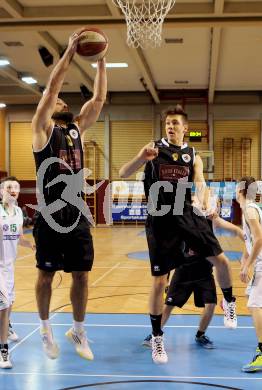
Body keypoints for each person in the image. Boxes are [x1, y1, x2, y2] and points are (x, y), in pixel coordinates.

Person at [119, 105, 237, 364]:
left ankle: (229, 302)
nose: (170, 126)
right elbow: (123, 173)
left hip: (186, 215)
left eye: (175, 123)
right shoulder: (153, 150)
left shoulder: (192, 155)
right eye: (168, 123)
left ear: (185, 128)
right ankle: (157, 337)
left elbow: (200, 183)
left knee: (222, 261)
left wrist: (206, 200)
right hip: (160, 220)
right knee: (160, 282)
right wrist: (141, 157)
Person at [32, 29, 107, 360]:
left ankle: (78, 330)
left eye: (64, 100)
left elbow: (99, 100)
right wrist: (71, 52)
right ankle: (46, 330)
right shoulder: (42, 128)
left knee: (81, 274)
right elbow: (52, 87)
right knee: (45, 275)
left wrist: (102, 62)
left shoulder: (75, 129)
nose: (62, 100)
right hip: (50, 216)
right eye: (58, 100)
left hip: (75, 214)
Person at [143, 214, 244, 350]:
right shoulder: (181, 218)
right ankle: (155, 334)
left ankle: (200, 335)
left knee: (211, 304)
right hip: (183, 271)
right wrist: (166, 278)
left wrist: (246, 235)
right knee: (168, 305)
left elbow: (235, 230)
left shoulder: (210, 218)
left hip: (204, 271)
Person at [0, 176, 34, 368]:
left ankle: (7, 326)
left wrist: (32, 245)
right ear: (1, 192)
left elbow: (19, 238)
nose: (13, 189)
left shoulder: (19, 212)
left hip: (10, 267)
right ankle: (3, 351)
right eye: (9, 187)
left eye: (16, 187)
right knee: (4, 306)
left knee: (8, 305)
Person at [237, 176, 262, 372]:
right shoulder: (252, 208)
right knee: (251, 297)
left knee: (254, 303)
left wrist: (248, 265)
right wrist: (245, 257)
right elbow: (251, 239)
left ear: (240, 190)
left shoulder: (249, 210)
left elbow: (260, 238)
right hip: (258, 261)